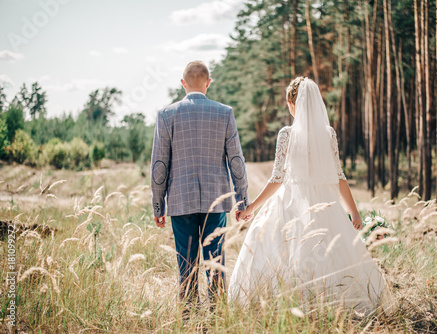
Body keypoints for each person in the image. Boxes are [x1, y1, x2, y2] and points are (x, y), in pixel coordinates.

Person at [228, 77, 388, 314]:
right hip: (327, 204)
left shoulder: (287, 134)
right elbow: (339, 177)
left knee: (281, 253)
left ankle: (283, 305)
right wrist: (353, 212)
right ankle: (329, 305)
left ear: (293, 104)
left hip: (291, 203)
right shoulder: (329, 134)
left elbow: (277, 179)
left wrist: (251, 208)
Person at [150, 60, 249, 307]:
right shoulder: (224, 112)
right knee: (216, 263)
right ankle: (217, 317)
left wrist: (158, 206)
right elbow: (236, 160)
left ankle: (190, 318)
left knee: (186, 264)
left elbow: (159, 165)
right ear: (208, 83)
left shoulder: (166, 114)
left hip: (180, 202)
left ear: (183, 84)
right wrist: (242, 200)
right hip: (216, 202)